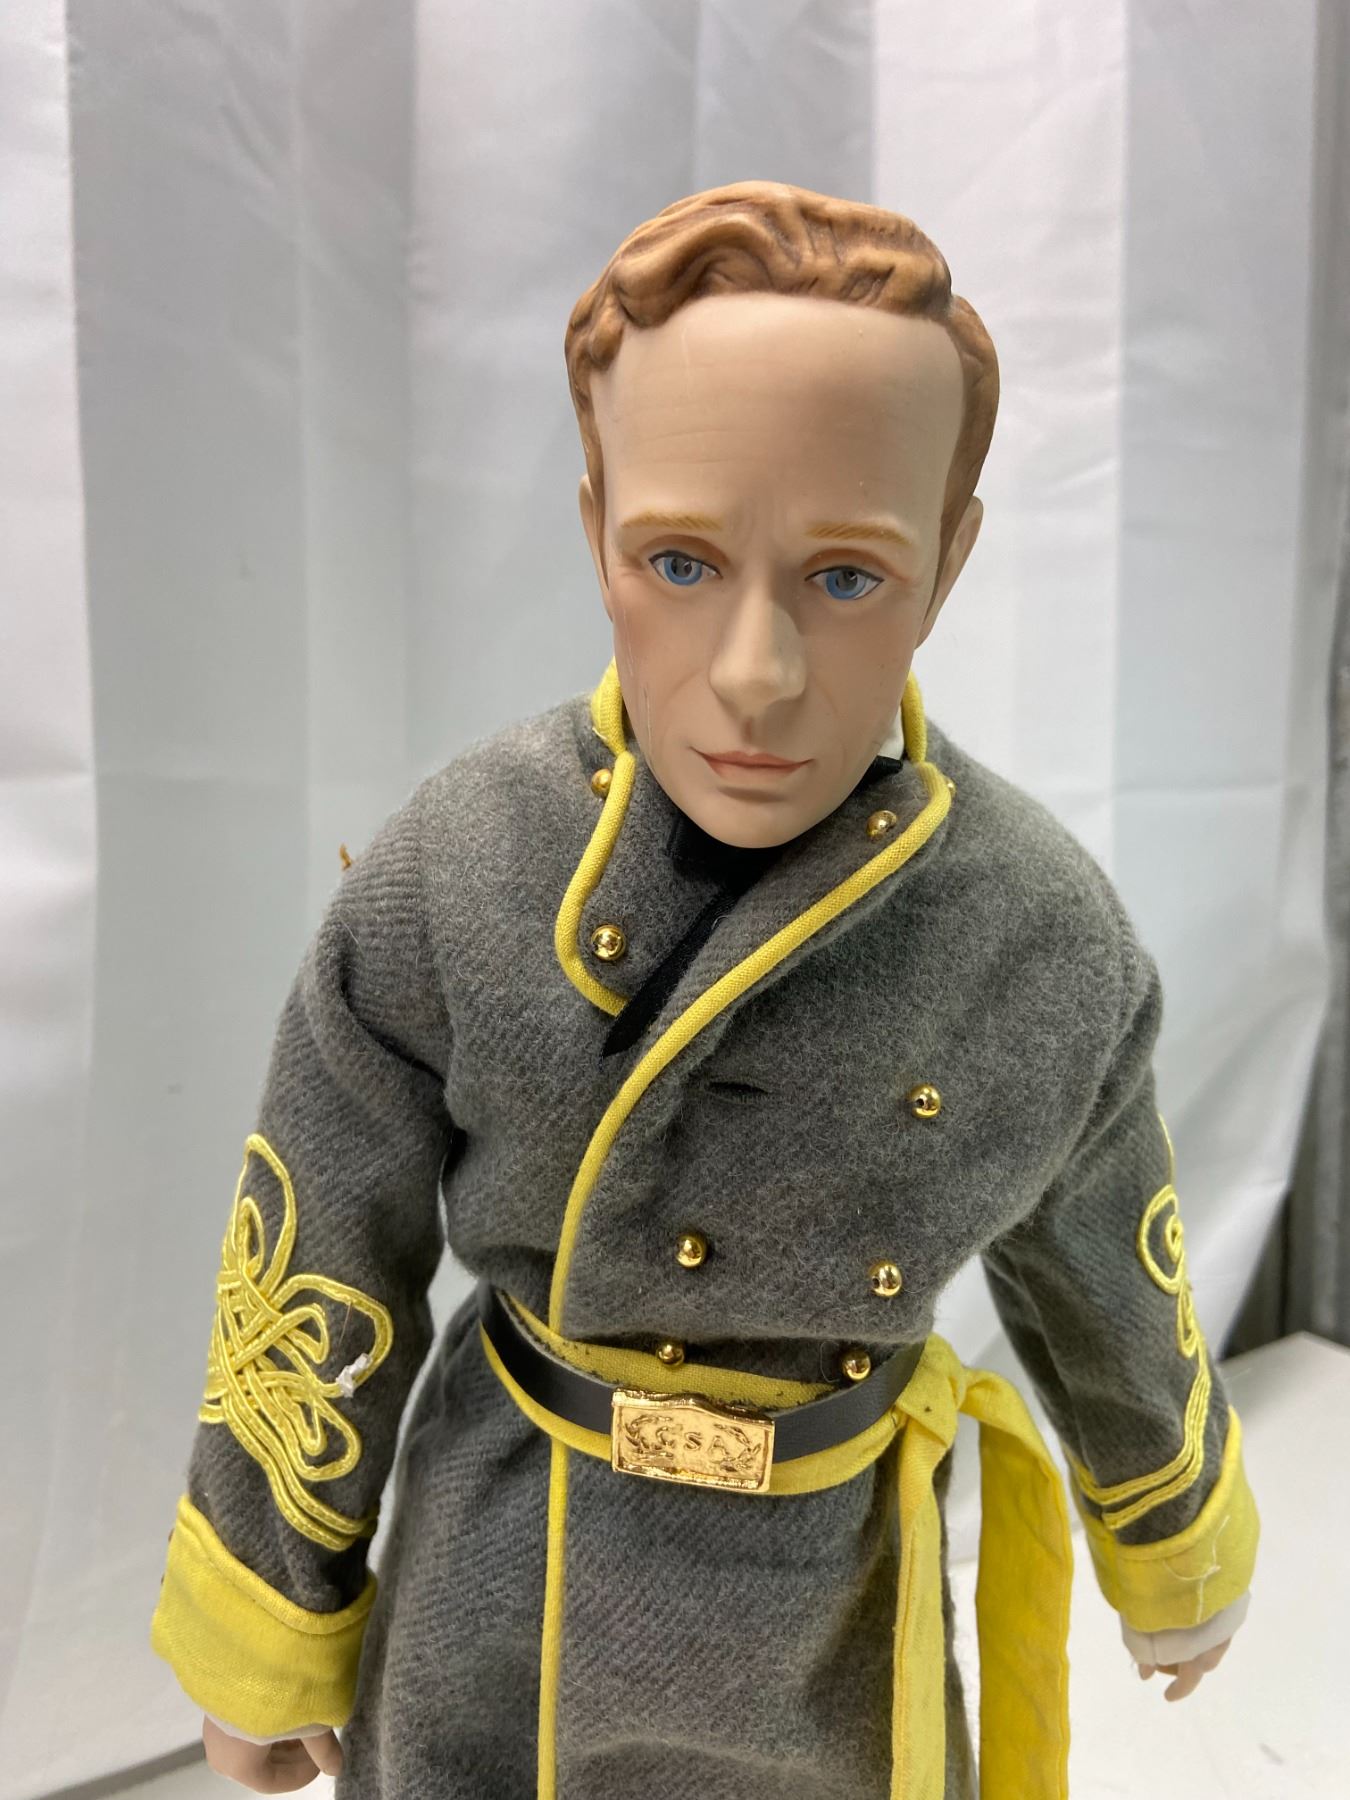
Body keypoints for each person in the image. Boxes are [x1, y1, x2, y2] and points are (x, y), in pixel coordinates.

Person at [151, 181, 1258, 1799]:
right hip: (500, 1587)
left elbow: (1110, 1270)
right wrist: (268, 1623)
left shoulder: (1035, 931)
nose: (753, 674)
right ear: (594, 526)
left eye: (847, 578)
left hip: (840, 1603)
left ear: (950, 560)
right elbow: (319, 1258)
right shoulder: (456, 871)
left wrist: (1167, 1543)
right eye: (678, 559)